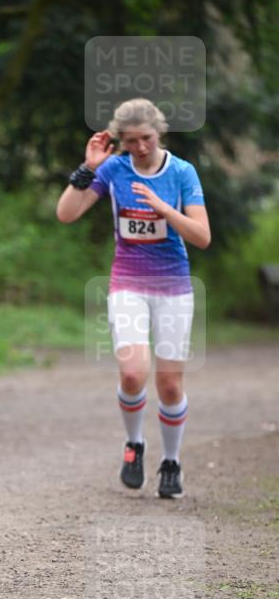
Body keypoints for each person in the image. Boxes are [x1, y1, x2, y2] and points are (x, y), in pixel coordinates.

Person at [56, 98, 211, 497]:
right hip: (127, 282)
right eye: (130, 141)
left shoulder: (181, 172)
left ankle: (172, 462)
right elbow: (67, 214)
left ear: (159, 132)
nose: (140, 147)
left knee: (171, 386)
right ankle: (135, 444)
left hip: (174, 287)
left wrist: (163, 208)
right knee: (131, 373)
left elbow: (202, 236)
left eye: (146, 138)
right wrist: (89, 168)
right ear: (120, 142)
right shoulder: (114, 169)